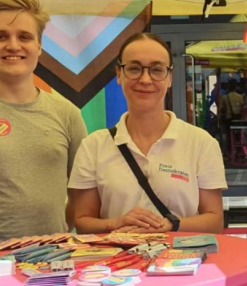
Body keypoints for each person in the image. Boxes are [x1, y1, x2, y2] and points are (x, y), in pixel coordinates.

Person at [0, 0, 88, 252]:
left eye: (24, 37)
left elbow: (81, 194)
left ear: (39, 46)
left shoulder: (68, 114)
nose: (13, 46)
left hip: (55, 264)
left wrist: (55, 238)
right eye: (0, 36)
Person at [68, 33, 226, 234]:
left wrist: (171, 225)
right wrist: (116, 223)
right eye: (134, 69)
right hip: (119, 263)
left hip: (183, 262)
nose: (145, 79)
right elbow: (83, 222)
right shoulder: (93, 146)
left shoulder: (201, 143)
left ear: (169, 78)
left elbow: (214, 221)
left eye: (157, 70)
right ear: (119, 74)